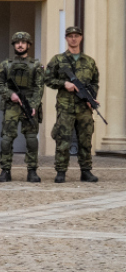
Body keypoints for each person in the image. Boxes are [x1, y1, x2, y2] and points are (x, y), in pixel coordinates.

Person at [46, 26, 100, 183]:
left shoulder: (89, 61)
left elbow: (94, 82)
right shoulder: (58, 60)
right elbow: (47, 79)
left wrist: (92, 98)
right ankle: (61, 171)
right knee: (63, 139)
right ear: (66, 39)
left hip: (84, 108)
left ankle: (86, 171)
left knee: (85, 139)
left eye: (76, 36)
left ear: (81, 38)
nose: (73, 39)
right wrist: (64, 84)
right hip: (65, 107)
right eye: (70, 36)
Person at [0, 32, 45, 183]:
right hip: (12, 105)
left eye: (23, 42)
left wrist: (34, 105)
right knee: (6, 139)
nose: (20, 45)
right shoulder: (5, 64)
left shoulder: (36, 65)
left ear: (29, 45)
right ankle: (5, 170)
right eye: (17, 42)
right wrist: (10, 94)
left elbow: (39, 87)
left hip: (29, 104)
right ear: (14, 45)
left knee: (31, 139)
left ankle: (32, 170)